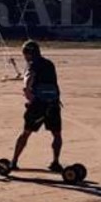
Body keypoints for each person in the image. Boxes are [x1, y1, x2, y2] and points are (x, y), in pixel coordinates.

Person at [11, 40, 63, 172]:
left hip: (39, 104)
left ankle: (14, 161)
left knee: (26, 132)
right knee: (56, 134)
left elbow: (30, 77)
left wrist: (27, 90)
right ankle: (55, 162)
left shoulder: (32, 64)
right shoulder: (49, 63)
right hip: (53, 103)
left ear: (28, 53)